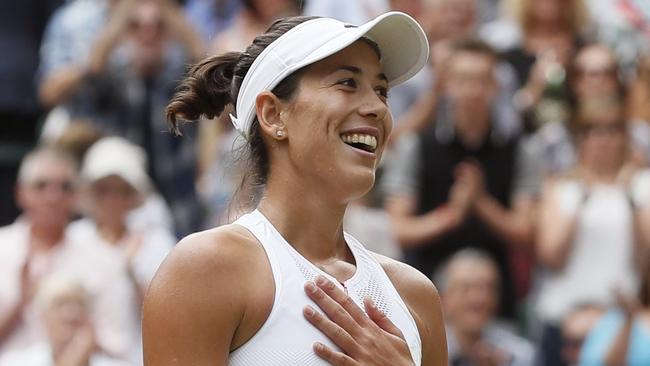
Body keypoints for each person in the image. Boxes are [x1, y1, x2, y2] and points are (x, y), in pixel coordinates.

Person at [143, 12, 447, 365]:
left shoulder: (416, 294)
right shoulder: (204, 269)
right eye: (347, 83)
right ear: (273, 115)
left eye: (381, 91)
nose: (377, 107)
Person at [382, 39, 538, 319]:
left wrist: (481, 202)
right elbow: (399, 230)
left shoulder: (520, 149)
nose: (472, 91)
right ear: (447, 85)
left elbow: (525, 233)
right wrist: (452, 214)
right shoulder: (416, 146)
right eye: (463, 80)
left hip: (498, 303)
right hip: (428, 295)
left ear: (496, 86)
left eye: (481, 81)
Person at [534, 95, 650, 366]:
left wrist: (630, 199)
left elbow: (646, 258)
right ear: (580, 138)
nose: (603, 139)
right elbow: (550, 255)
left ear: (625, 137)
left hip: (618, 323)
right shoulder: (560, 187)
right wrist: (582, 197)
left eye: (612, 130)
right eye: (593, 130)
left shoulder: (643, 185)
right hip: (563, 321)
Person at [0, 147, 136, 360]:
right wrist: (21, 303)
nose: (53, 196)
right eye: (41, 185)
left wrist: (81, 331)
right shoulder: (3, 249)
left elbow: (121, 350)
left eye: (65, 187)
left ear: (77, 196)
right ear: (20, 193)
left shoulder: (103, 259)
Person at [0, 275, 132, 366]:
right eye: (60, 304)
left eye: (79, 304)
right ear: (43, 316)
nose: (70, 313)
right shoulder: (14, 362)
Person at [436, 249, 535, 366]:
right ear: (443, 299)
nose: (478, 299)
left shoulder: (518, 354)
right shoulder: (425, 351)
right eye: (466, 288)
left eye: (487, 289)